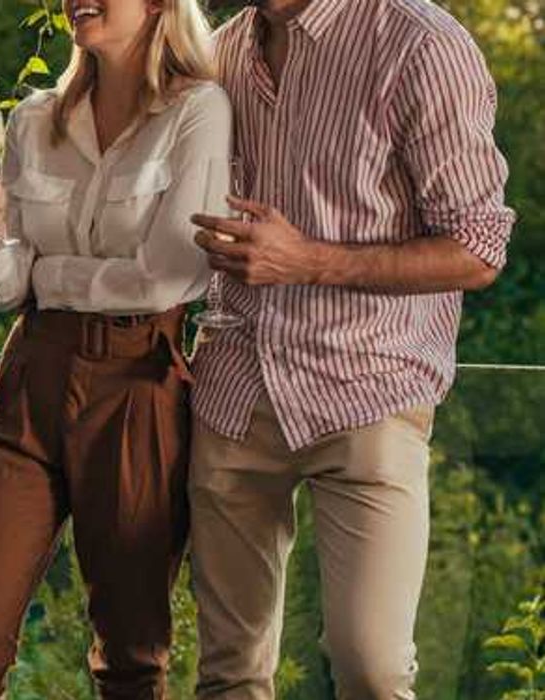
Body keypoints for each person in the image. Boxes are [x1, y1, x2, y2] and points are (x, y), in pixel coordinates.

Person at [188, 0, 516, 696]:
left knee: (371, 667)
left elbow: (478, 248)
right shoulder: (218, 51)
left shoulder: (420, 46)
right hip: (233, 390)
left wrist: (308, 260)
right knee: (228, 674)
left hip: (368, 391)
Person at [0, 0, 231, 696]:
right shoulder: (34, 117)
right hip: (27, 379)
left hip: (137, 387)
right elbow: (6, 286)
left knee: (130, 657)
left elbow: (169, 275)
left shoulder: (198, 111)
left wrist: (49, 274)